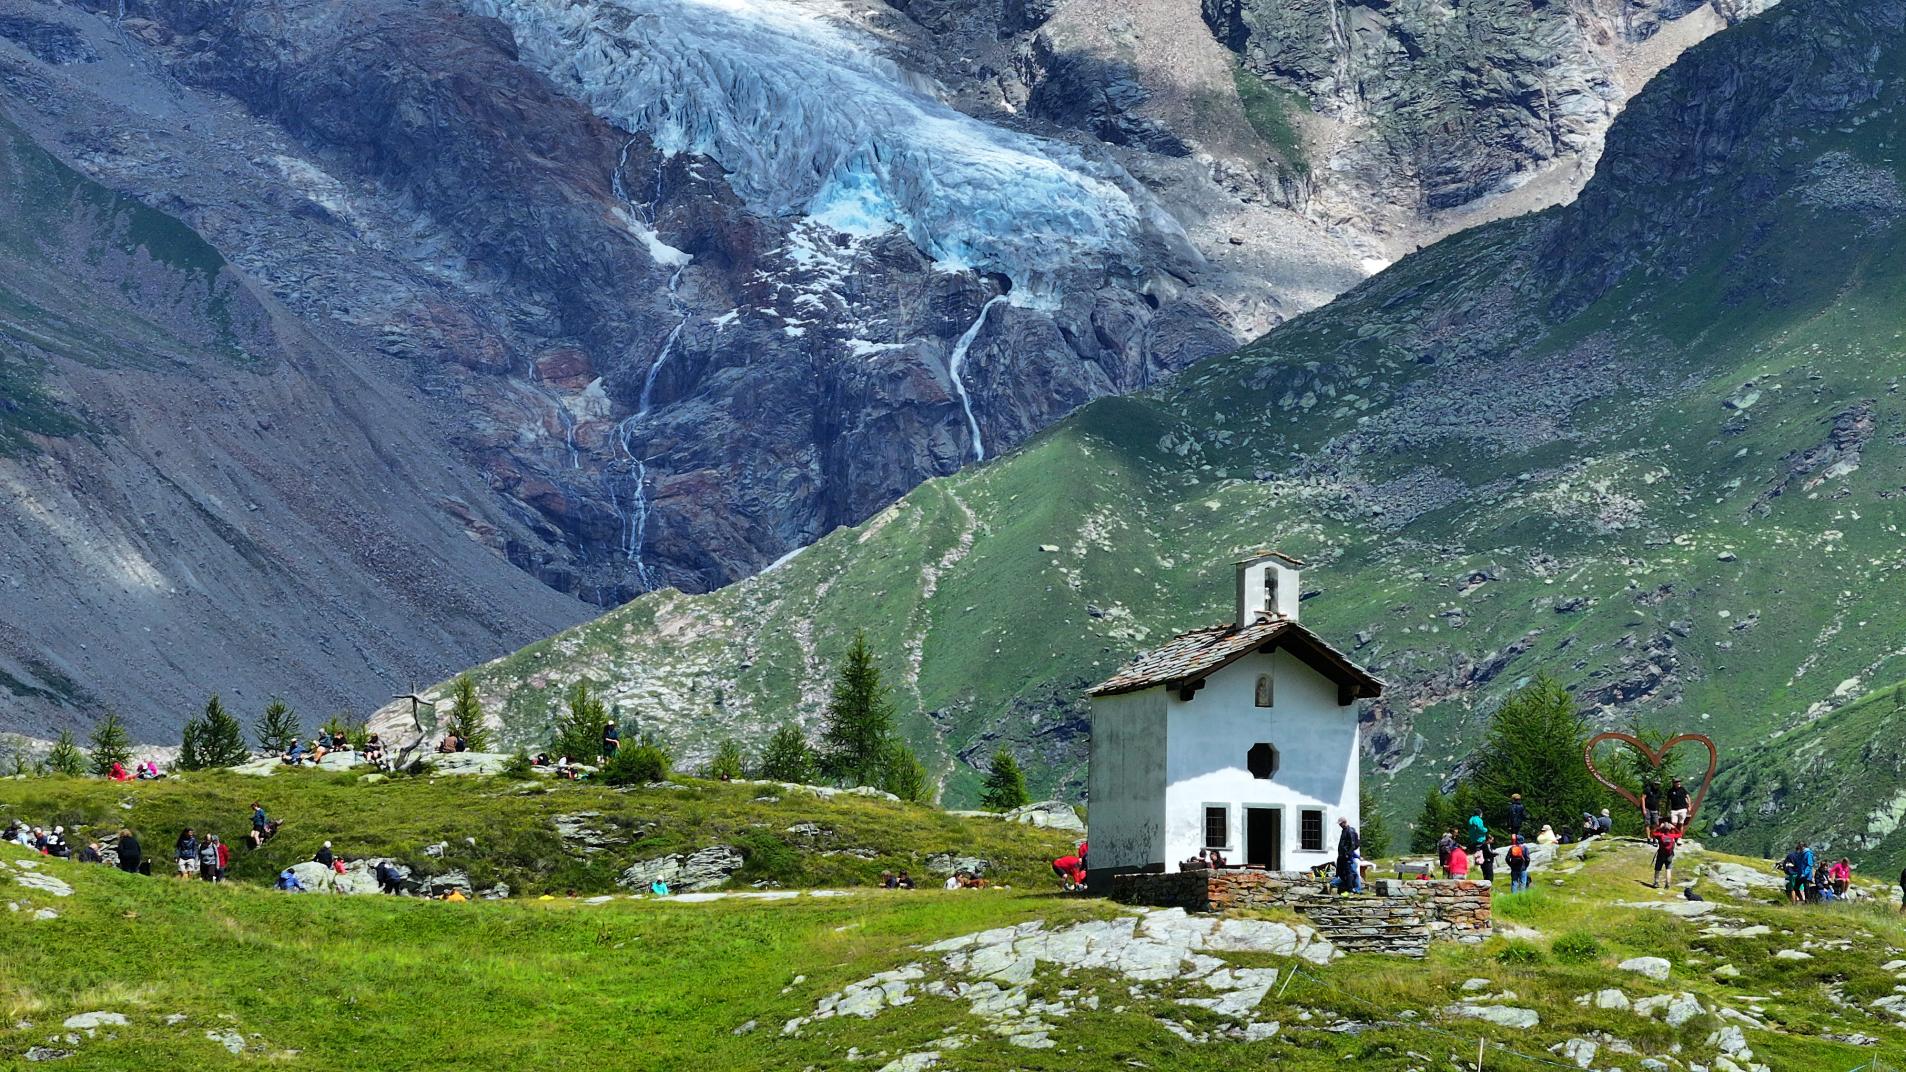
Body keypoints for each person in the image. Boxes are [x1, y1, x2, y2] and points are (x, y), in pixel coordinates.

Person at [1651, 822, 1681, 889]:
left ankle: (1656, 883)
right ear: (1670, 829)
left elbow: (1653, 833)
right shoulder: (1672, 836)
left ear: (1663, 829)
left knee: (1657, 869)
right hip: (1669, 855)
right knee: (1668, 869)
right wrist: (1674, 828)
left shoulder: (1660, 835)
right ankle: (1667, 885)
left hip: (1661, 855)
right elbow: (1680, 834)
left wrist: (1659, 827)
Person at [1336, 816, 1361, 895]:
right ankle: (1347, 886)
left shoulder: (1350, 831)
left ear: (1344, 822)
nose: (1340, 825)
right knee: (1339, 872)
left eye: (1341, 824)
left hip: (1346, 856)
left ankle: (1350, 889)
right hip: (1341, 855)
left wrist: (1348, 854)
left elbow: (1353, 844)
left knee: (1349, 872)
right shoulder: (1344, 831)